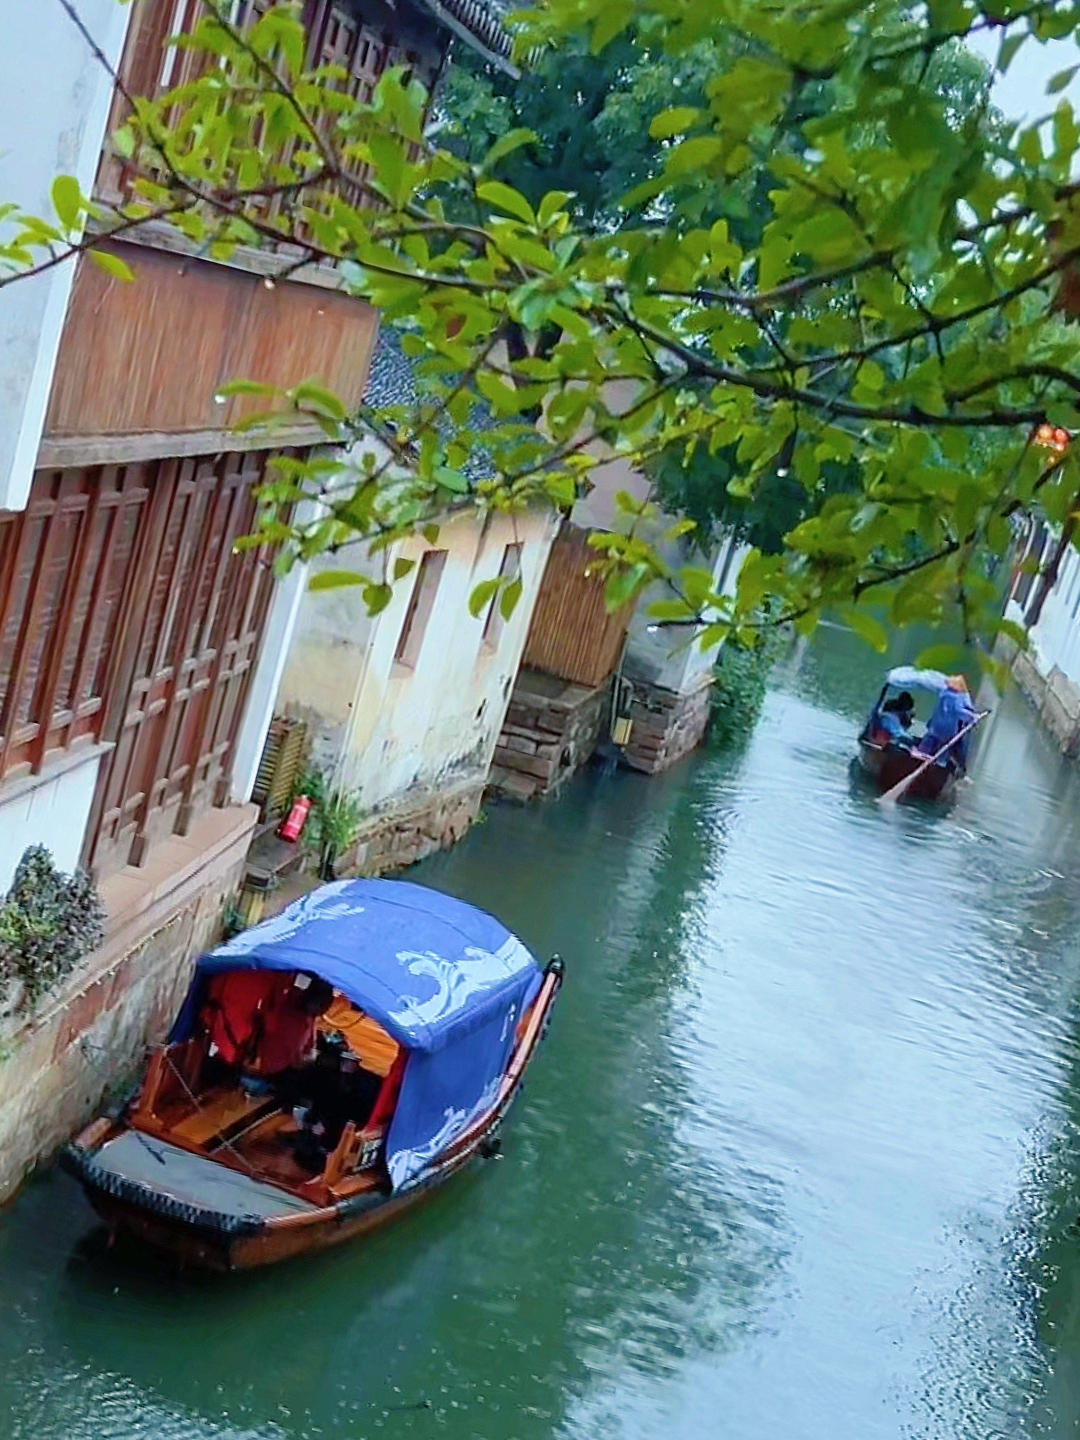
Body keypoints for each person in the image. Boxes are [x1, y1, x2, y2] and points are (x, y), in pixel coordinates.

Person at [917, 675, 977, 768]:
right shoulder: (956, 697)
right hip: (947, 731)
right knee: (942, 753)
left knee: (924, 748)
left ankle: (919, 760)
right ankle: (937, 766)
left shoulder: (944, 693)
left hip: (935, 727)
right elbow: (958, 711)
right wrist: (972, 717)